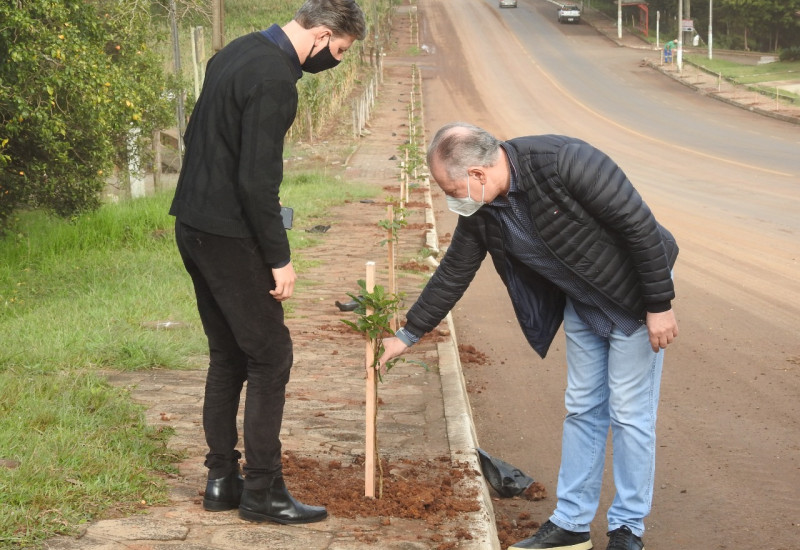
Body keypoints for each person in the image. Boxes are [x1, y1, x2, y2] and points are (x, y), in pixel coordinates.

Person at [378, 122, 679, 550]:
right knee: (582, 408)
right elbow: (454, 271)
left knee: (629, 412)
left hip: (634, 295)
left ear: (478, 175)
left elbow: (639, 226)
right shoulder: (484, 209)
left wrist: (659, 305)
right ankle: (571, 524)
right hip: (583, 301)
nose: (451, 199)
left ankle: (627, 528)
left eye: (451, 189)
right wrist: (407, 334)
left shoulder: (565, 161)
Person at [169, 0, 366, 525]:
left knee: (228, 354)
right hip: (229, 234)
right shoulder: (277, 79)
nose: (338, 62)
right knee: (271, 356)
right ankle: (261, 491)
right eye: (340, 51)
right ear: (322, 35)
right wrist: (279, 259)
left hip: (191, 224)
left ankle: (220, 480)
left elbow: (200, 140)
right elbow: (258, 182)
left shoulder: (233, 51)